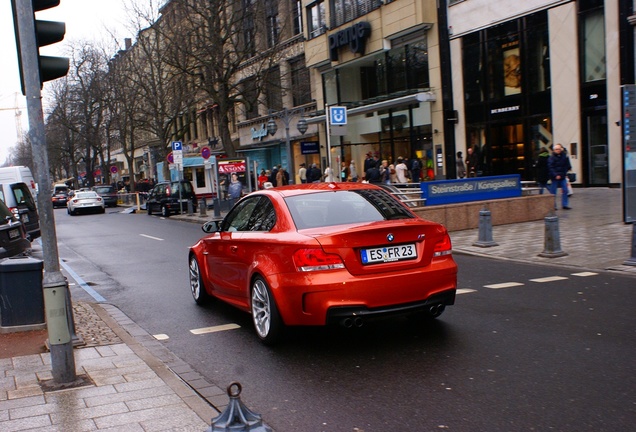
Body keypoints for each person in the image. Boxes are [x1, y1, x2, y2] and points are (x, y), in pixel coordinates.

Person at [548, 143, 572, 210]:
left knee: (565, 190)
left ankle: (565, 204)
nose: (558, 150)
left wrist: (565, 172)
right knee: (553, 192)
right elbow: (550, 167)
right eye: (556, 149)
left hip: (562, 176)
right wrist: (555, 175)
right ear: (554, 150)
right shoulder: (551, 158)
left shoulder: (564, 156)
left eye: (559, 149)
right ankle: (553, 205)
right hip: (555, 177)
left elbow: (567, 165)